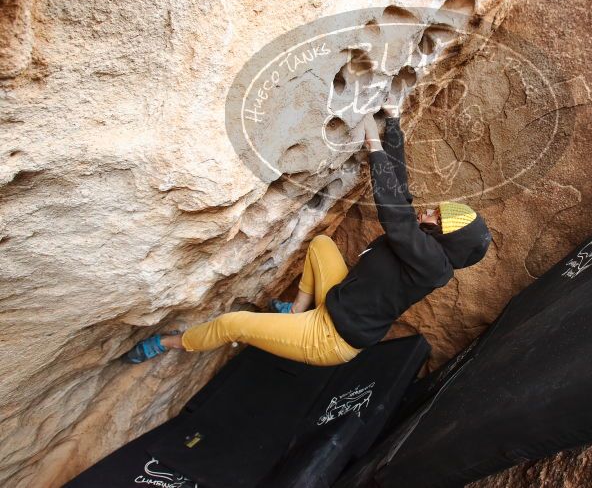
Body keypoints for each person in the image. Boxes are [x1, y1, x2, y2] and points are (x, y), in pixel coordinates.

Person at [126, 103, 492, 366]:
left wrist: (373, 145)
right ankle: (296, 311)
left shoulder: (433, 265)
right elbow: (402, 188)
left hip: (330, 338)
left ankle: (169, 343)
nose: (429, 212)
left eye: (437, 218)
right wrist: (392, 124)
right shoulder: (424, 247)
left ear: (447, 239)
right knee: (321, 245)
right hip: (335, 300)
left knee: (229, 324)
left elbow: (395, 213)